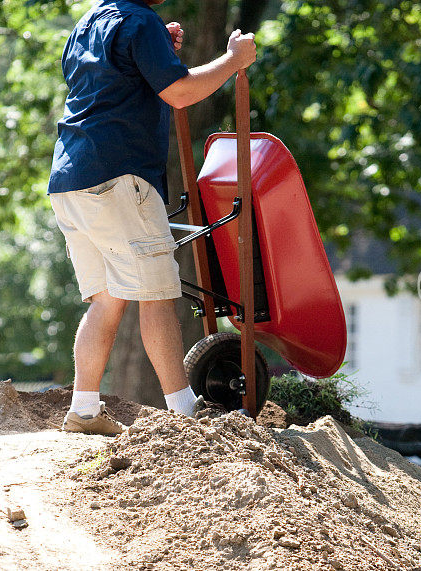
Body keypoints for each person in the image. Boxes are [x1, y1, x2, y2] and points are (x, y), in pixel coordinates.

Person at [47, 0, 257, 435]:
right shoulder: (139, 22)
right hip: (119, 177)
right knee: (156, 293)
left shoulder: (89, 22)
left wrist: (157, 48)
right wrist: (234, 60)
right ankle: (185, 416)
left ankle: (84, 411)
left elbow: (115, 82)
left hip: (70, 178)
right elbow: (179, 93)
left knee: (106, 298)